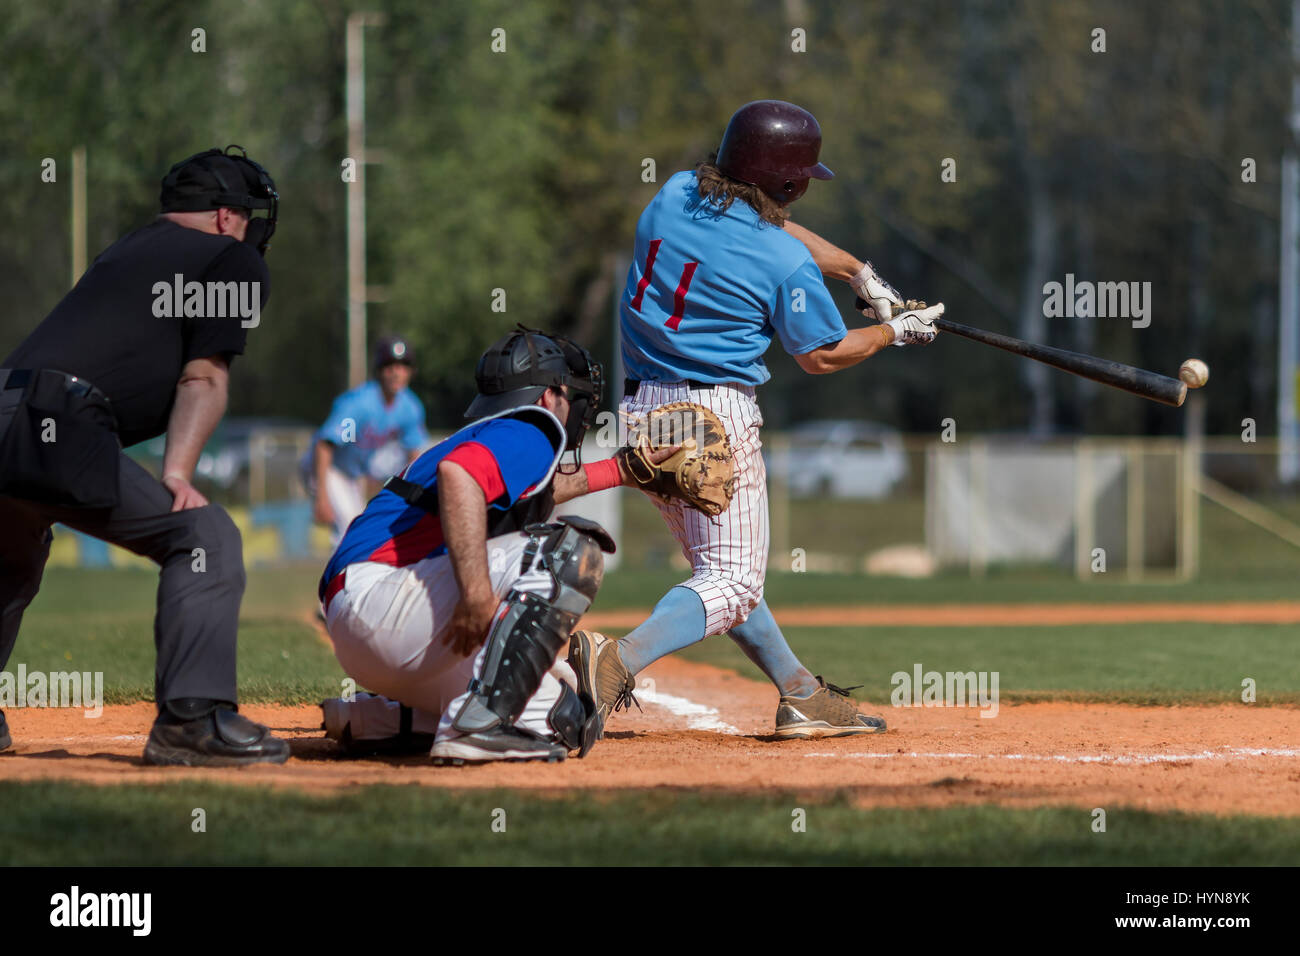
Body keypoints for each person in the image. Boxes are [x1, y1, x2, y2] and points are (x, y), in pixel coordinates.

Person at [569, 100, 945, 744]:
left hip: (643, 414)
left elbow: (760, 225)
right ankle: (618, 660)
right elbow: (821, 354)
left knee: (723, 575)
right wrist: (892, 330)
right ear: (791, 182)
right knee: (734, 582)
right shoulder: (781, 261)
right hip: (714, 419)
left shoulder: (675, 192)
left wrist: (857, 271)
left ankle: (801, 694)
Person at [0, 145, 289, 765]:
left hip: (7, 404)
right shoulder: (231, 257)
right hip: (58, 418)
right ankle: (193, 721)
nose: (248, 227)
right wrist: (177, 472)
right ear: (222, 215)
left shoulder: (124, 251)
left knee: (14, 550)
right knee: (204, 535)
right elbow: (203, 377)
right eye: (245, 214)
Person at [317, 328, 675, 764]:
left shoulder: (494, 434)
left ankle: (384, 720)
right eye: (569, 394)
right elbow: (458, 476)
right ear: (547, 396)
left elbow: (541, 492)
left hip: (371, 622)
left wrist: (624, 470)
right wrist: (475, 594)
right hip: (380, 600)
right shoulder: (530, 428)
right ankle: (476, 725)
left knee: (561, 717)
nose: (575, 406)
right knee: (570, 550)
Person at [305, 335, 429, 543]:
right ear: (379, 371)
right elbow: (326, 445)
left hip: (351, 472)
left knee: (360, 528)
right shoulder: (359, 405)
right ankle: (343, 574)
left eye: (403, 365)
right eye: (389, 365)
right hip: (327, 466)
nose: (396, 372)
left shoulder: (409, 408)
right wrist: (322, 497)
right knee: (349, 528)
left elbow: (415, 454)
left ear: (411, 371)